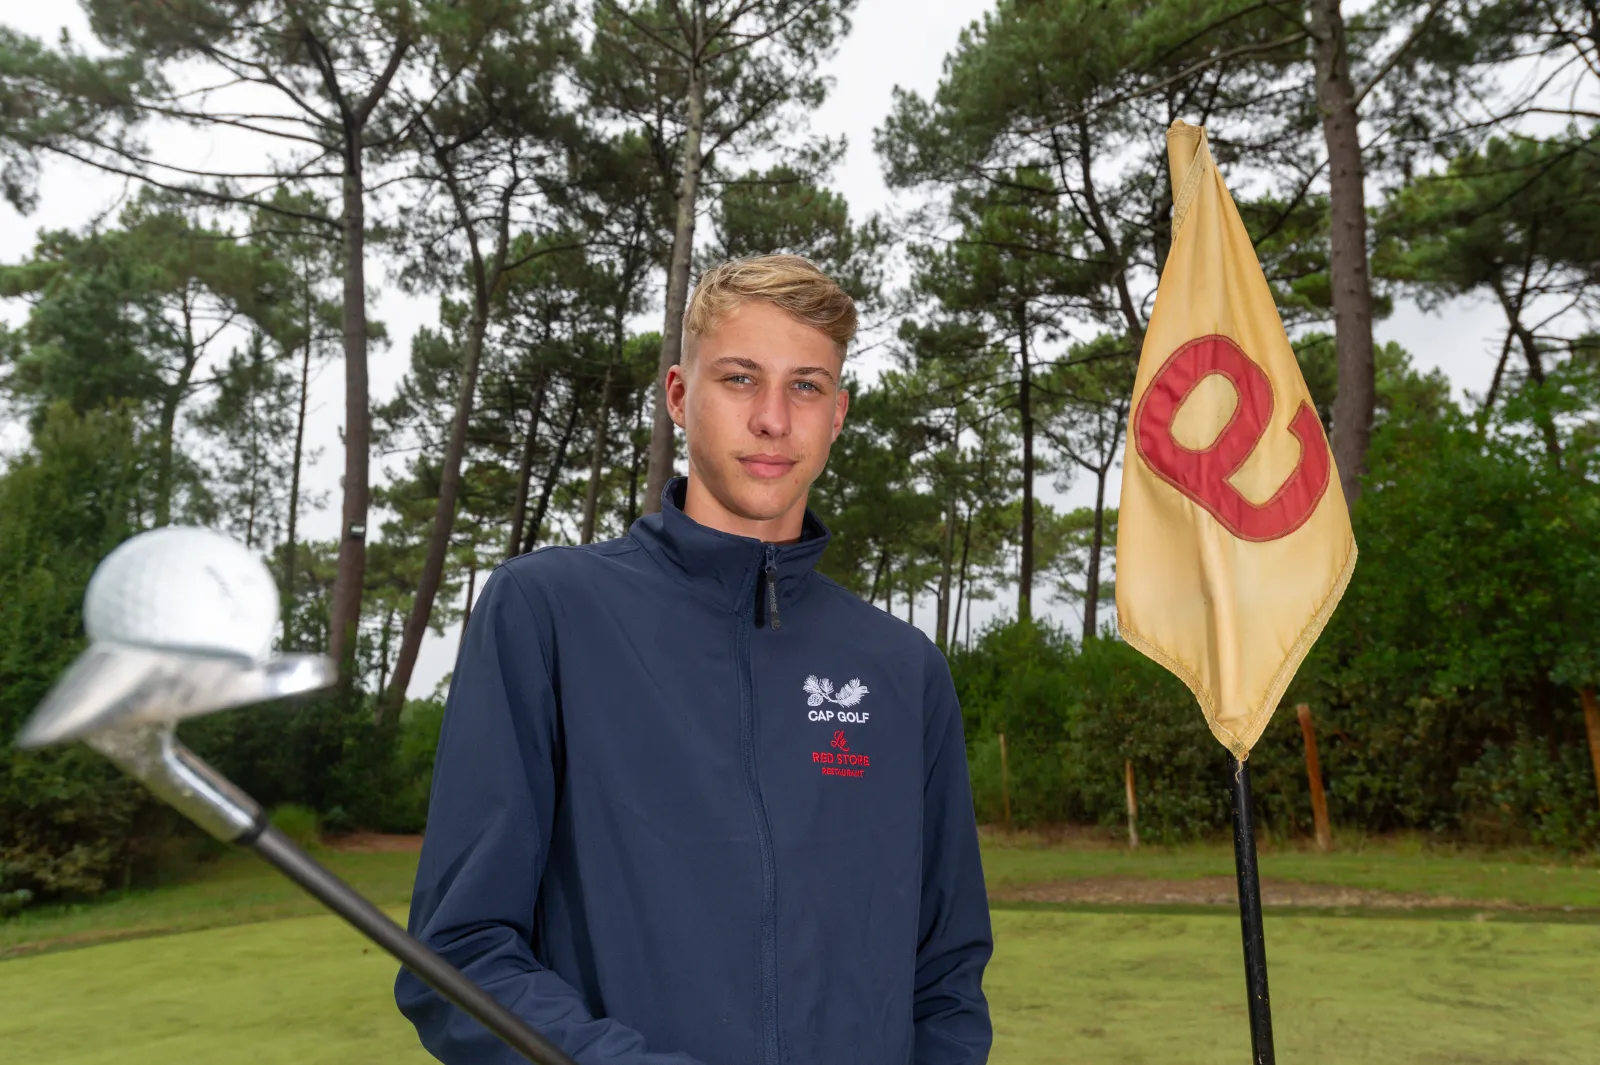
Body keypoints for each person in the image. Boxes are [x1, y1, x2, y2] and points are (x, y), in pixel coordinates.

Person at [395, 254, 993, 1065]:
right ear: (680, 395)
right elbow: (460, 950)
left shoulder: (901, 668)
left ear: (838, 413)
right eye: (741, 379)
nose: (774, 419)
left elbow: (946, 976)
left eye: (806, 386)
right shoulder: (550, 611)